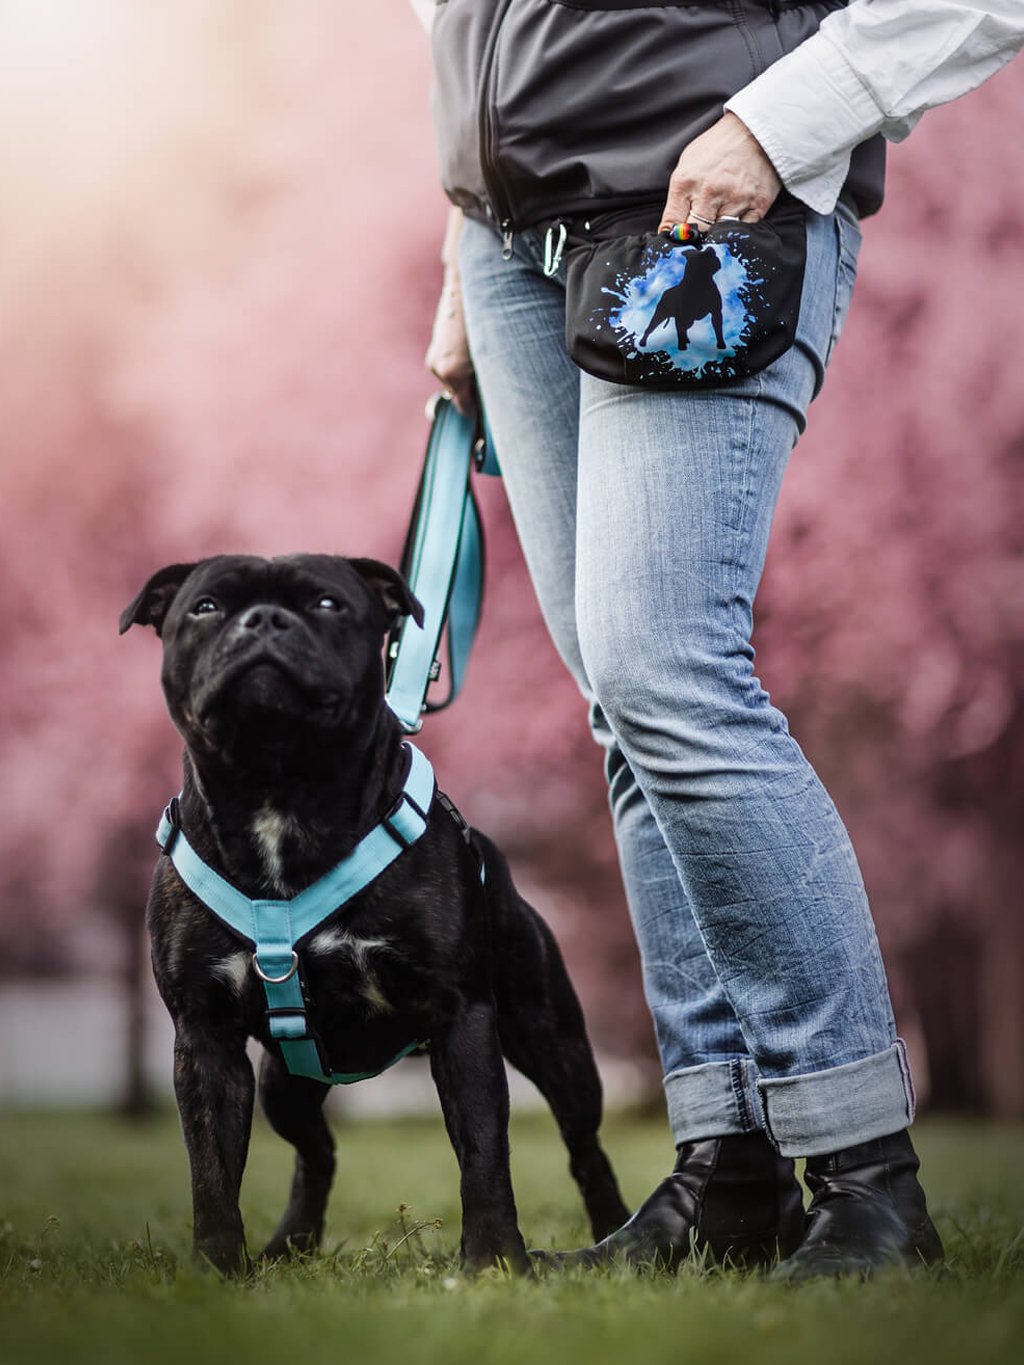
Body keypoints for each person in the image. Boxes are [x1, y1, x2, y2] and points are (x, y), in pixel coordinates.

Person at [408, 0, 1024, 1279]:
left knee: (663, 671)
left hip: (703, 209)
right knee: (623, 706)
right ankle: (726, 1168)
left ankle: (867, 1181)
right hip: (506, 245)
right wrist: (462, 234)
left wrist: (773, 123)